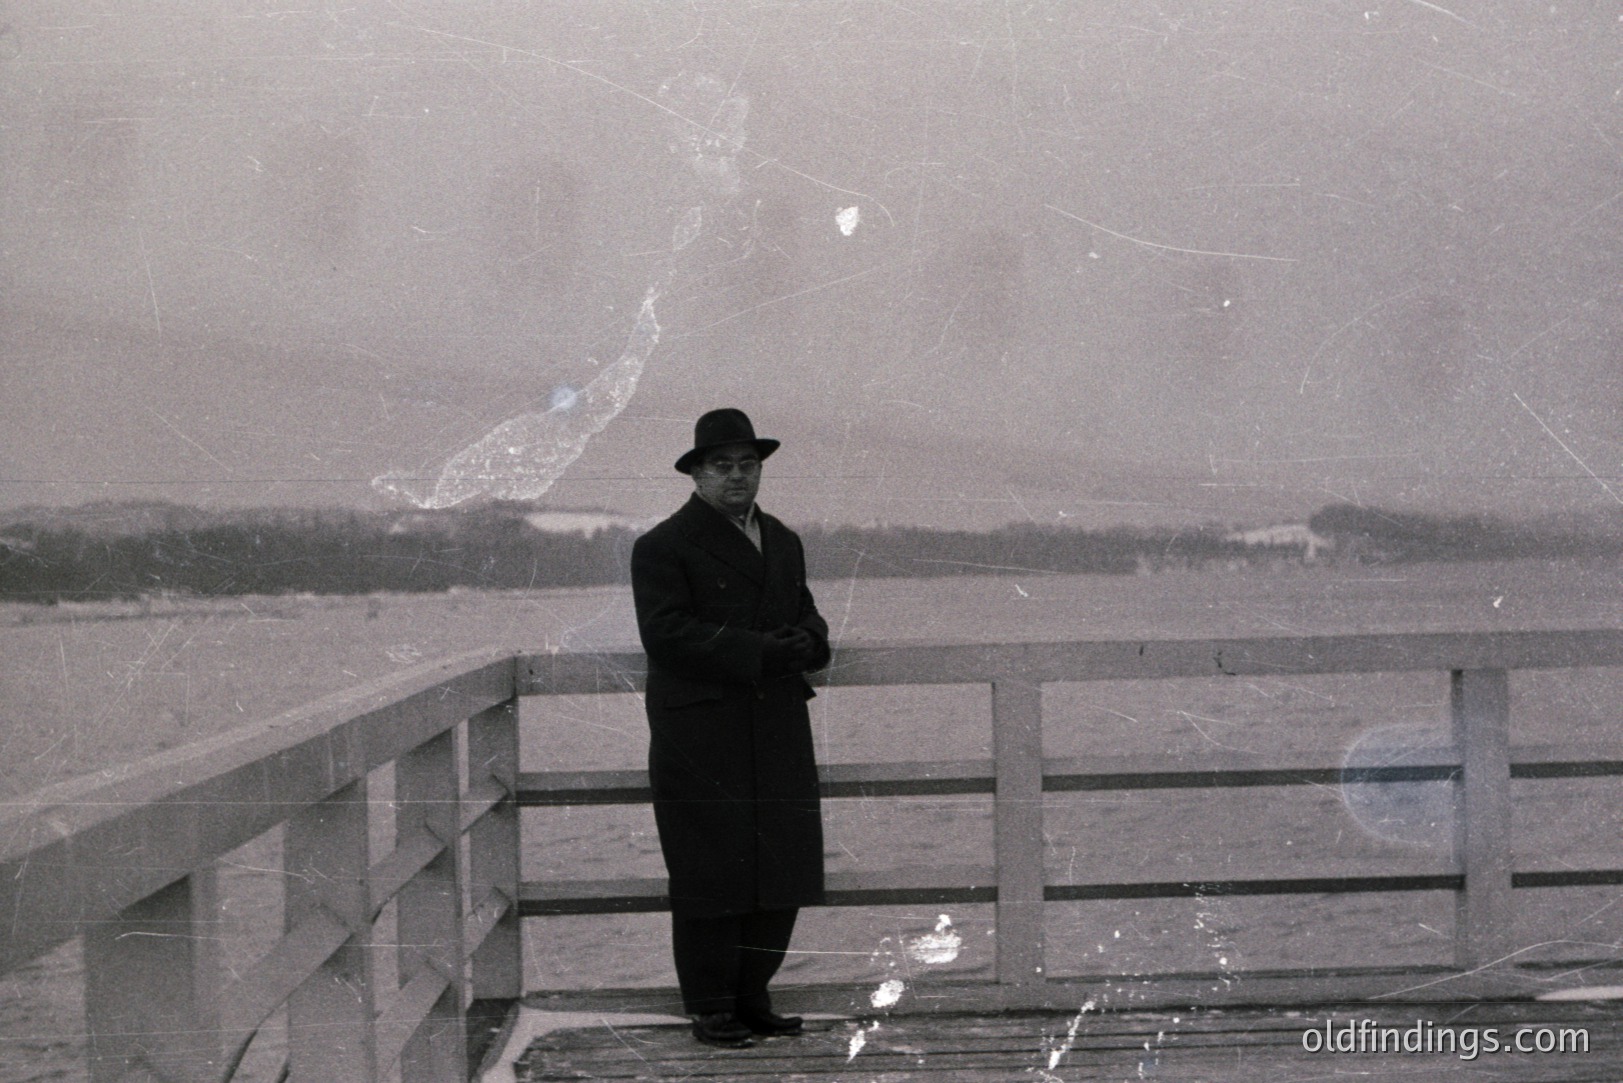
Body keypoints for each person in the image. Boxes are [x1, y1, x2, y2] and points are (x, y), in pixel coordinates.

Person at [630, 408, 831, 1049]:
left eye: (749, 464)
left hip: (774, 723)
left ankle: (753, 998)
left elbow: (809, 615)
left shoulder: (784, 540)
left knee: (782, 861)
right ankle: (712, 1007)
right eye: (722, 465)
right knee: (710, 867)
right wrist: (768, 652)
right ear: (695, 473)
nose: (737, 476)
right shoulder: (661, 546)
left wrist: (810, 641)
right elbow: (667, 636)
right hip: (700, 733)